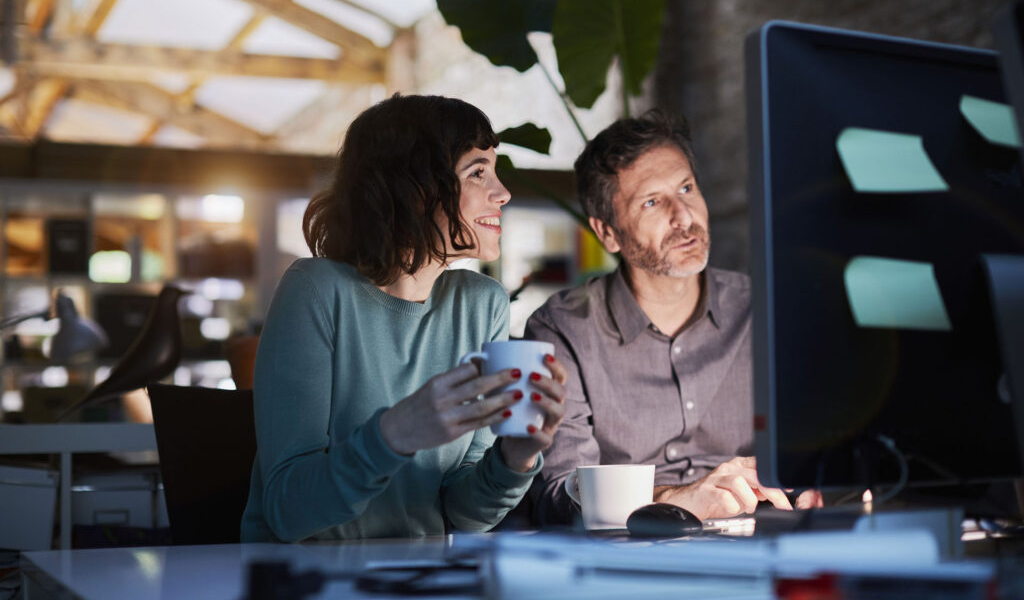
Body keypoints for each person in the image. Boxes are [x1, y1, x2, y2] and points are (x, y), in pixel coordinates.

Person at [241, 94, 567, 542]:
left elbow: (466, 513)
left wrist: (516, 459)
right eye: (477, 172)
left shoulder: (482, 304)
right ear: (416, 189)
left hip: (418, 582)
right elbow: (287, 511)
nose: (503, 192)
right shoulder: (316, 290)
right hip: (305, 585)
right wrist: (394, 434)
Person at [526, 110, 819, 526]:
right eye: (652, 201)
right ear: (607, 232)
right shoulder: (562, 331)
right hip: (629, 558)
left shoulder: (766, 309)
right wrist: (680, 500)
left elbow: (819, 448)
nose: (684, 217)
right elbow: (558, 496)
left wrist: (820, 484)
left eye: (686, 188)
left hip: (765, 543)